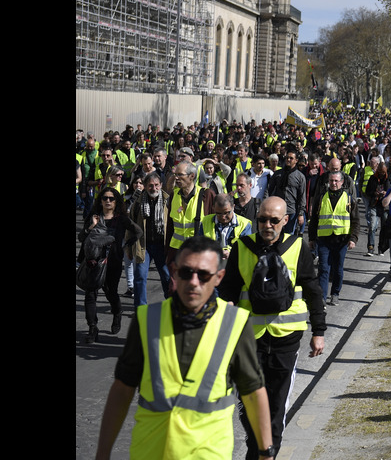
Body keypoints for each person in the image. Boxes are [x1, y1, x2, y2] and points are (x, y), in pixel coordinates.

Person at [95, 236, 274, 460]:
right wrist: (103, 452)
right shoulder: (147, 320)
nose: (194, 282)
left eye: (204, 275)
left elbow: (253, 393)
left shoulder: (235, 323)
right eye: (187, 272)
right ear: (174, 272)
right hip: (151, 452)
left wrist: (266, 452)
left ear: (219, 277)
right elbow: (122, 390)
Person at [218, 196, 326, 460]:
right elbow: (227, 292)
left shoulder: (297, 246)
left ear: (285, 221)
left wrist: (319, 332)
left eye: (274, 220)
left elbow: (312, 290)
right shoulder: (241, 247)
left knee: (276, 409)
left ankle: (266, 453)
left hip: (285, 339)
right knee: (249, 405)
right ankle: (258, 447)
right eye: (262, 219)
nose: (267, 225)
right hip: (248, 341)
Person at [79, 187, 143, 343]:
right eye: (105, 198)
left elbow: (138, 231)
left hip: (112, 261)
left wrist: (127, 245)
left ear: (116, 202)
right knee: (90, 294)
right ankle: (92, 328)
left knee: (110, 292)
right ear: (100, 201)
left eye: (111, 199)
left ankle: (117, 312)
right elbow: (81, 237)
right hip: (93, 261)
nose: (108, 201)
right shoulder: (93, 217)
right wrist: (91, 227)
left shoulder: (121, 219)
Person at [310, 170, 361, 305]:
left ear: (342, 182)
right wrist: (311, 238)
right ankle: (322, 297)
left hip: (341, 240)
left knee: (338, 269)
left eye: (336, 181)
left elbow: (355, 221)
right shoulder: (322, 197)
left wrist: (353, 238)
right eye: (331, 181)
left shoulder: (349, 199)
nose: (333, 183)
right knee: (323, 268)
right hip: (324, 239)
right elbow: (314, 219)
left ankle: (335, 293)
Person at [129, 173, 173, 307]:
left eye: (156, 185)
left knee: (166, 277)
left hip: (162, 245)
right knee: (140, 277)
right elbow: (130, 225)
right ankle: (140, 308)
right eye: (150, 185)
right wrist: (128, 247)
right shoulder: (138, 201)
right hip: (144, 245)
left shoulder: (168, 200)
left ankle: (170, 305)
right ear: (145, 186)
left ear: (161, 185)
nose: (153, 188)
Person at [201, 193, 253, 269]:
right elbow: (200, 245)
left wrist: (231, 253)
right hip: (211, 268)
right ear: (213, 208)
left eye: (226, 213)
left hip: (235, 269)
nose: (223, 217)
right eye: (218, 213)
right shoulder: (206, 221)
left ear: (233, 207)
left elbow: (246, 250)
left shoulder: (245, 224)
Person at [266, 148, 306, 234]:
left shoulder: (300, 177)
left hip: (291, 211)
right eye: (287, 157)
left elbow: (302, 196)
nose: (288, 160)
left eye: (291, 158)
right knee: (275, 233)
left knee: (288, 236)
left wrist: (301, 214)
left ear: (296, 160)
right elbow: (269, 190)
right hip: (277, 210)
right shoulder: (278, 174)